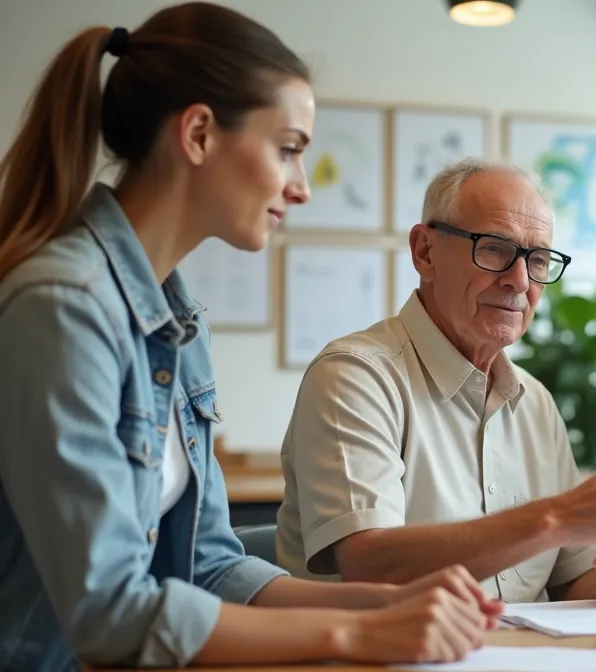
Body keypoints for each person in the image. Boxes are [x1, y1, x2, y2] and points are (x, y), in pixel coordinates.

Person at [0, 5, 501, 670]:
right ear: (200, 134)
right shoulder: (63, 307)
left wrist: (385, 602)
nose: (301, 188)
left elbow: (206, 567)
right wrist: (359, 637)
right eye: (289, 149)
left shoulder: (176, 320)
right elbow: (109, 611)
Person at [275, 157, 596, 605]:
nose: (519, 280)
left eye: (538, 260)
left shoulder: (534, 401)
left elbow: (570, 581)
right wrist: (555, 518)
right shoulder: (355, 376)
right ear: (425, 252)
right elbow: (369, 564)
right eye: (495, 248)